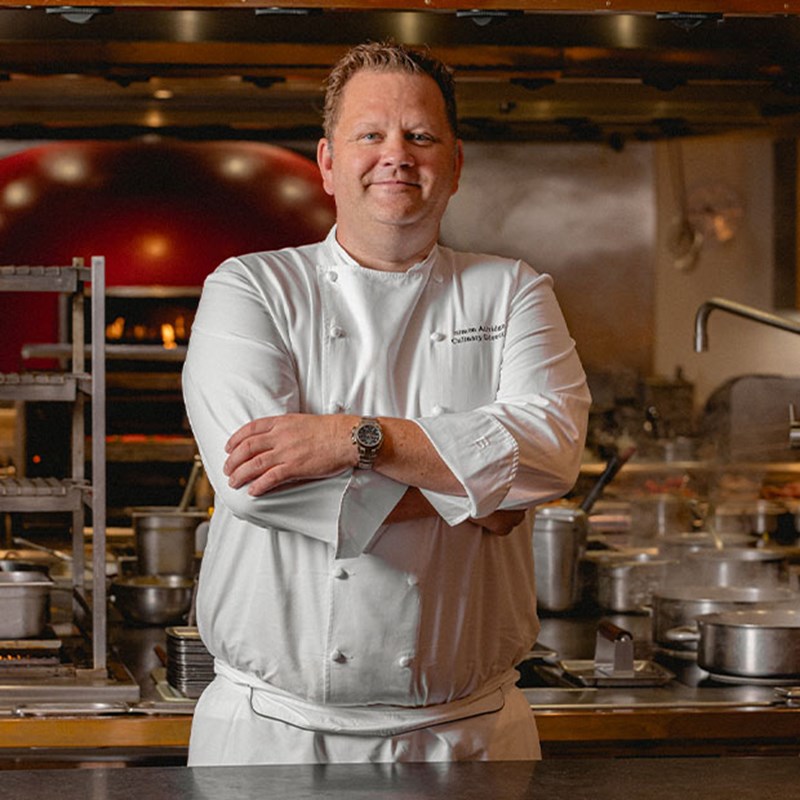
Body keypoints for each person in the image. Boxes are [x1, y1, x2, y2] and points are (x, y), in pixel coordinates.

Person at [182, 41, 590, 766]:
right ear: (329, 162)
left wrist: (354, 439)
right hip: (273, 737)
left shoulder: (516, 290)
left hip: (471, 738)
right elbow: (254, 487)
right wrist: (478, 489)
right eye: (370, 134)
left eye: (420, 136)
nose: (396, 155)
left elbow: (553, 453)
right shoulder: (250, 289)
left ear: (455, 164)